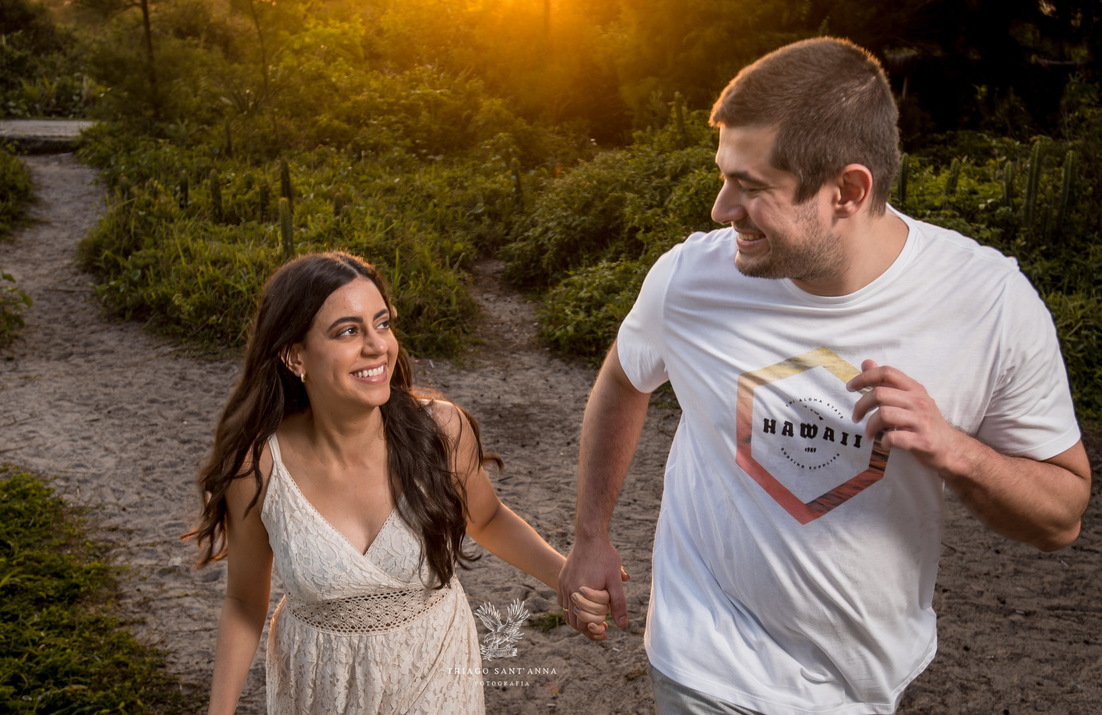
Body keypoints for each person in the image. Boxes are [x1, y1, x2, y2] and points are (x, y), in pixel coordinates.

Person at [558, 37, 1091, 715]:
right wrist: (591, 535)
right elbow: (624, 379)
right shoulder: (690, 281)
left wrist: (952, 446)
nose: (721, 209)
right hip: (704, 667)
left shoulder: (987, 301)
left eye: (750, 187)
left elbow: (1062, 517)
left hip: (864, 684)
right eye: (724, 176)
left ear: (847, 190)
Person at [189, 251, 616, 715]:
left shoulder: (441, 430)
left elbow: (488, 518)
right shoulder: (258, 466)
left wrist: (567, 579)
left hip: (435, 672)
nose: (378, 346)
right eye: (348, 331)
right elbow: (244, 601)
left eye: (382, 324)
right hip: (318, 689)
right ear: (295, 355)